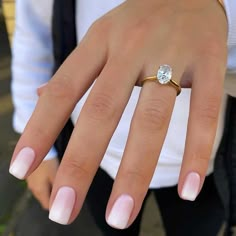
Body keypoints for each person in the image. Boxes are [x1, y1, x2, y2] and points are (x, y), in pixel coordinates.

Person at [9, 0, 236, 235]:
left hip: (203, 161)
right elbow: (34, 31)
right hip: (93, 153)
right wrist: (39, 144)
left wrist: (223, 11)